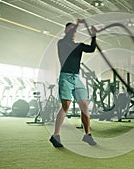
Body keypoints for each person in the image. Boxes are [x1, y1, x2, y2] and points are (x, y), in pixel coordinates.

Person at [49, 19, 97, 148]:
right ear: (65, 31)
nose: (72, 32)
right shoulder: (61, 43)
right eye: (70, 29)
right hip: (65, 77)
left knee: (84, 105)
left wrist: (94, 36)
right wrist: (76, 25)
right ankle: (55, 136)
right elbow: (69, 35)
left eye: (74, 30)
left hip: (77, 78)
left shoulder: (79, 46)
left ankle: (87, 135)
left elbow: (92, 48)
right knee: (66, 106)